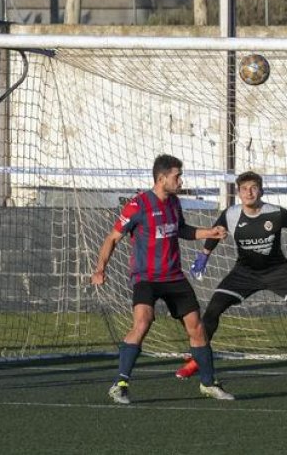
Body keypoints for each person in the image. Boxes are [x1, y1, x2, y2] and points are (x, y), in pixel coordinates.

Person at [91, 154, 234, 404]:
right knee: (143, 322)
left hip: (174, 276)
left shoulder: (174, 203)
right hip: (146, 277)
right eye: (177, 176)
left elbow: (181, 230)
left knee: (197, 328)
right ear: (161, 178)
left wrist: (208, 232)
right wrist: (100, 269)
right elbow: (112, 238)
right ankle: (120, 383)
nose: (180, 180)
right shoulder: (137, 205)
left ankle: (209, 383)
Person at [176, 171, 287, 381]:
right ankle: (197, 360)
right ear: (238, 193)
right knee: (212, 310)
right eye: (244, 188)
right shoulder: (231, 214)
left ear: (261, 190)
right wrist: (203, 256)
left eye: (253, 187)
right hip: (244, 273)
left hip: (278, 271)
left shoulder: (275, 213)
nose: (249, 192)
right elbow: (216, 232)